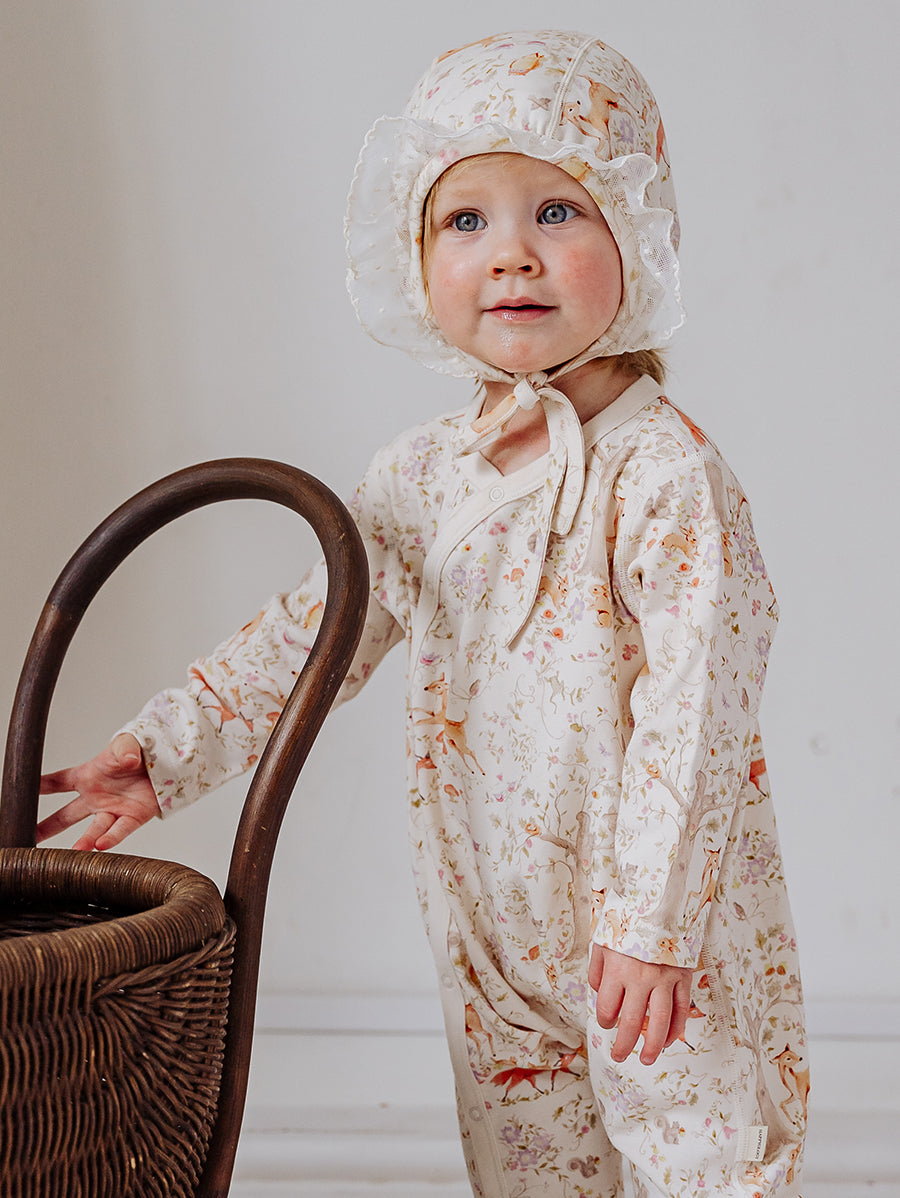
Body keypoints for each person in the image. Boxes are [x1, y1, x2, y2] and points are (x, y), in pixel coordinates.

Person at [37, 30, 807, 1197]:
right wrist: (164, 750)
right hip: (489, 929)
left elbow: (699, 704)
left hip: (654, 926)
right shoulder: (425, 476)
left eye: (558, 211)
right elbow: (318, 632)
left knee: (701, 1157)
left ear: (637, 234)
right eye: (466, 220)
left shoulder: (662, 474)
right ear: (414, 255)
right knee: (529, 1166)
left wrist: (654, 921)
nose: (512, 254)